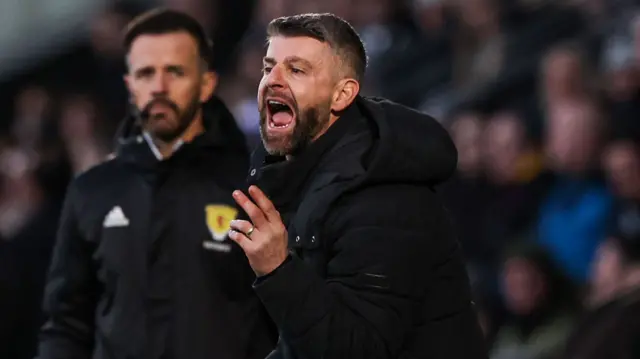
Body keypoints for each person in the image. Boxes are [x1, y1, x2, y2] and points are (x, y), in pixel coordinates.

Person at [227, 13, 488, 359]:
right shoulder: (294, 176)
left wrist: (278, 271)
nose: (273, 81)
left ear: (342, 94)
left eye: (296, 70)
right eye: (269, 67)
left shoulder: (384, 198)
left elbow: (358, 349)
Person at [36, 9, 276, 359]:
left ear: (205, 83)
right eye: (147, 73)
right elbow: (67, 321)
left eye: (175, 72)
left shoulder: (252, 178)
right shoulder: (93, 192)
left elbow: (280, 298)